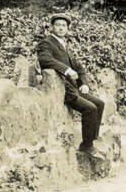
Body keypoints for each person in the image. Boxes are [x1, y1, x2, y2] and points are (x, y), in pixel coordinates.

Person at [37, 13, 104, 154]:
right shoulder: (46, 43)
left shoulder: (65, 45)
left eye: (64, 26)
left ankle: (91, 140)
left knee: (99, 104)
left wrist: (83, 83)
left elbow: (79, 67)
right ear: (52, 27)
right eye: (58, 25)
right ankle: (86, 146)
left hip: (74, 88)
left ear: (67, 29)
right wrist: (66, 70)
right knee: (90, 109)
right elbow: (45, 60)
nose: (61, 28)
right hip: (63, 89)